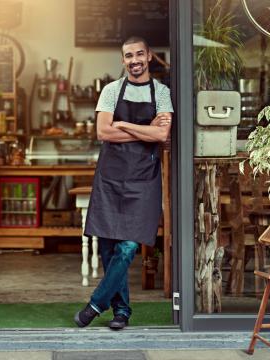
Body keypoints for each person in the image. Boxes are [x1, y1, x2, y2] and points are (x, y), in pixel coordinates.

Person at [74, 36, 173, 330]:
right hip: (111, 177)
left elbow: (162, 137)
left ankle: (96, 304)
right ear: (123, 60)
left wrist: (125, 124)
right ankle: (122, 312)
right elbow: (104, 133)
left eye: (139, 54)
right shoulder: (111, 91)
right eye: (129, 56)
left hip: (144, 180)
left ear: (149, 56)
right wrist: (145, 130)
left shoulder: (162, 92)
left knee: (128, 247)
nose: (135, 60)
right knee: (107, 246)